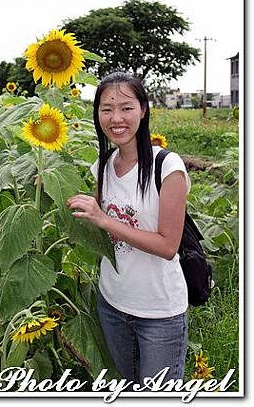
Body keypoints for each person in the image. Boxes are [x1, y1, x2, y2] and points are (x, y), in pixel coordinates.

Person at [67, 71, 190, 387]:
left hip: (159, 313)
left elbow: (167, 246)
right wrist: (55, 186)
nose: (116, 118)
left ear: (143, 110)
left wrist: (106, 220)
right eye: (106, 109)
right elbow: (90, 220)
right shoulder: (103, 166)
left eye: (126, 107)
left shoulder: (168, 167)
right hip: (112, 304)